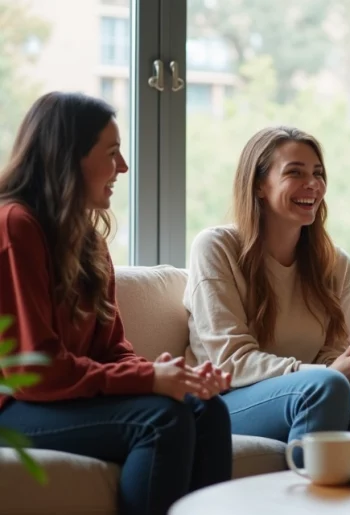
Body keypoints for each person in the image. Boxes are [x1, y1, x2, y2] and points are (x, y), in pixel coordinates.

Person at [0, 92, 233, 515]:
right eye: (112, 153)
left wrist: (170, 375)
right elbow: (35, 372)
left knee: (208, 410)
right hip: (13, 405)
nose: (123, 167)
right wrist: (147, 380)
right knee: (161, 421)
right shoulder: (15, 226)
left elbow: (111, 350)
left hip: (55, 398)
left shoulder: (89, 241)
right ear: (69, 158)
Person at [183, 126, 350, 463]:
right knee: (326, 386)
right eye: (295, 172)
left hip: (310, 395)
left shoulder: (335, 265)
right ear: (259, 184)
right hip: (223, 400)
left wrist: (340, 368)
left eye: (318, 173)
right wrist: (327, 374)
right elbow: (230, 360)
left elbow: (332, 354)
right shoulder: (216, 247)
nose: (312, 184)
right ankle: (299, 493)